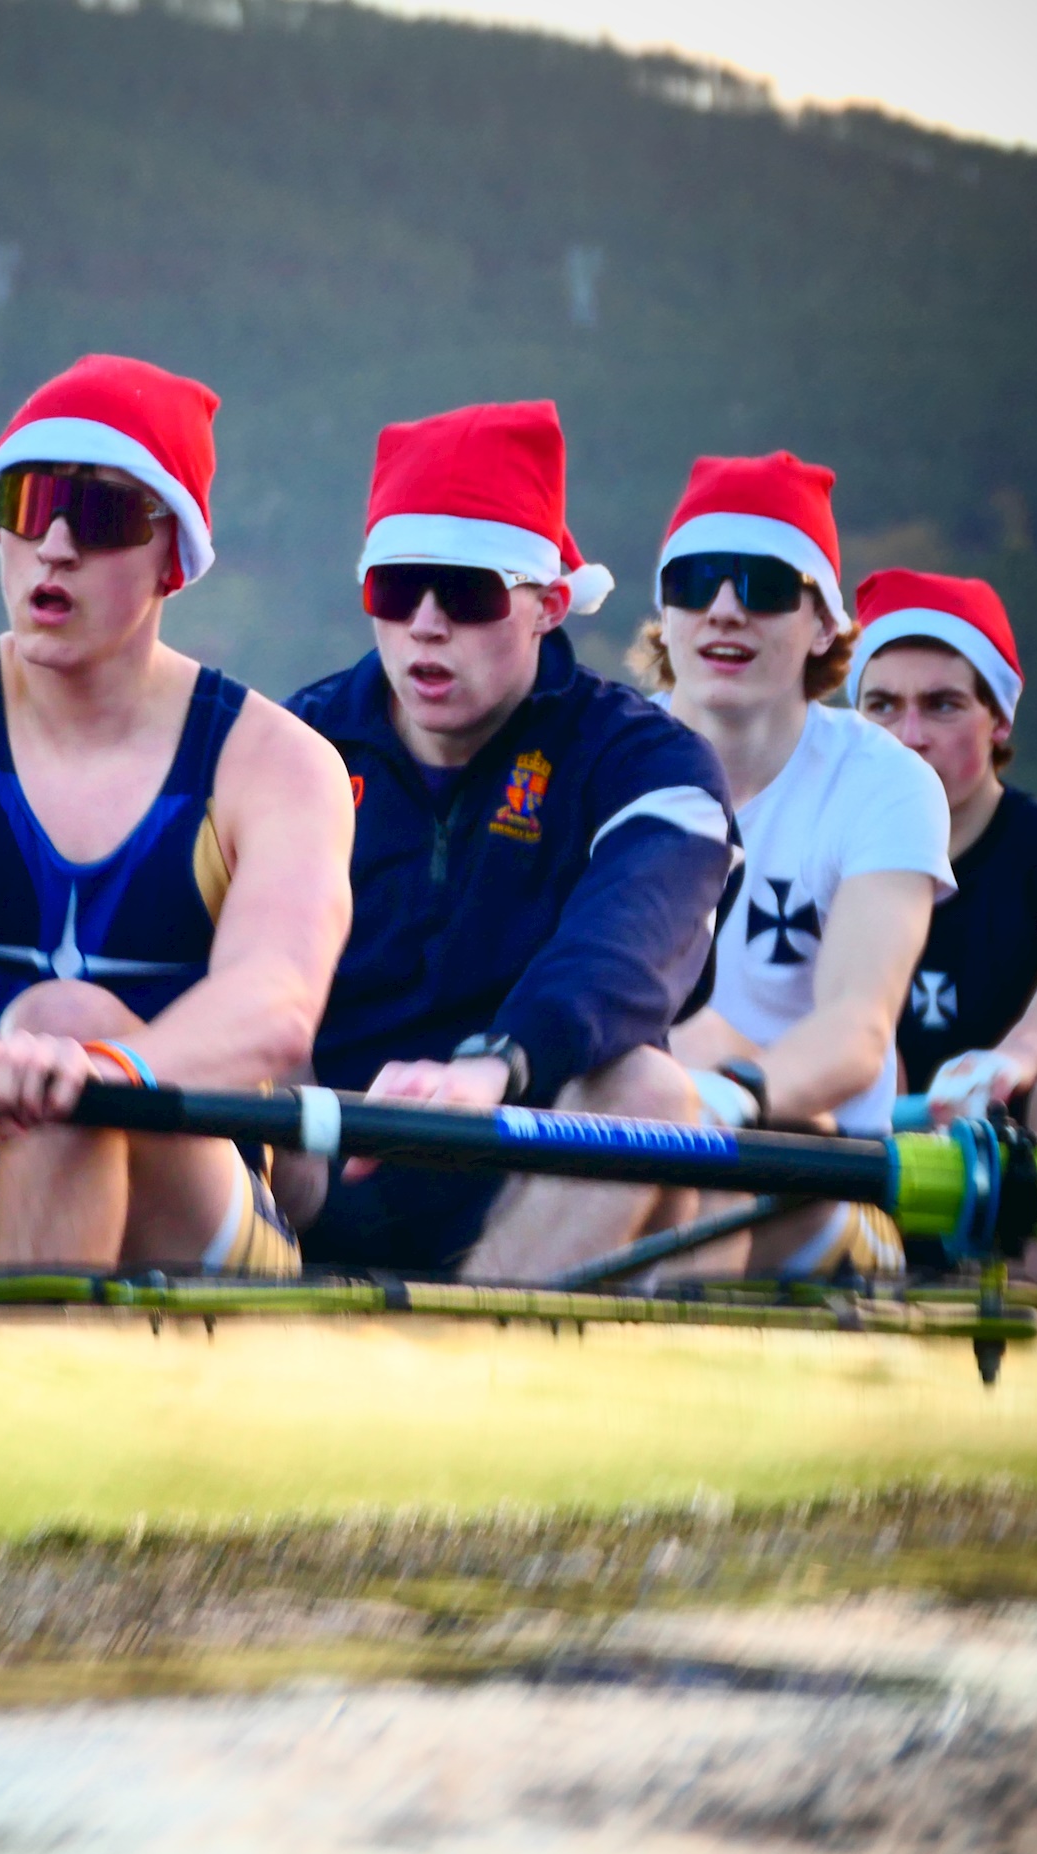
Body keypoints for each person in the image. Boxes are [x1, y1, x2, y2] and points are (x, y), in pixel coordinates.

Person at [0, 355, 352, 1273]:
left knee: (67, 1029)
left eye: (97, 516)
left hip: (193, 1188)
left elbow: (277, 1006)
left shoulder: (277, 762)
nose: (54, 545)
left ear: (174, 558)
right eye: (27, 504)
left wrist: (110, 1069)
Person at [287, 401, 734, 1278]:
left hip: (524, 1152)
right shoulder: (293, 744)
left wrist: (492, 1068)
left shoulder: (647, 762)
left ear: (549, 606)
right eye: (394, 586)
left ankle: (474, 1365)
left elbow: (628, 948)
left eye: (466, 593)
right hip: (318, 1152)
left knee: (648, 1089)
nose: (423, 622)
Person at [646, 454, 953, 1279]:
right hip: (626, 1121)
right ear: (665, 612)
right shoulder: (603, 756)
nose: (724, 611)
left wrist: (730, 1097)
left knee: (703, 1140)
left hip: (820, 1165)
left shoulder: (886, 783)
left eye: (764, 585)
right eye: (696, 581)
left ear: (824, 625)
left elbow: (857, 1030)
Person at [850, 570, 1037, 1142]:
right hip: (888, 1174)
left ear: (1000, 721)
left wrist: (1013, 1062)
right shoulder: (820, 852)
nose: (909, 736)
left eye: (942, 706)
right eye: (883, 705)